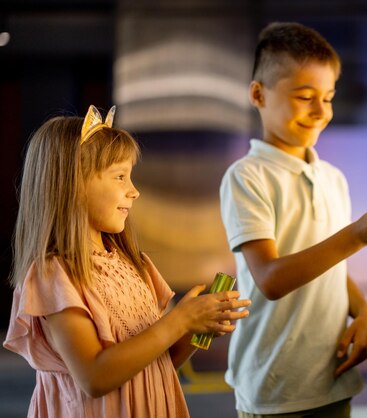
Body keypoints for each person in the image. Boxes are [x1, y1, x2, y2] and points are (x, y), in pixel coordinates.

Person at [220, 22, 367, 417]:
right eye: (305, 96)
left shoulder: (332, 178)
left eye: (328, 97)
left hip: (331, 381)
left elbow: (328, 265)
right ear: (258, 94)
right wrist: (358, 235)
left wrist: (363, 311)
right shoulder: (247, 177)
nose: (320, 111)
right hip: (275, 392)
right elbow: (272, 280)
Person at [2, 105, 251, 418]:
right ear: (72, 183)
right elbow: (95, 376)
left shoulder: (135, 264)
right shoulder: (55, 274)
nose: (133, 191)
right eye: (120, 177)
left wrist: (195, 330)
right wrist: (179, 321)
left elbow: (159, 360)